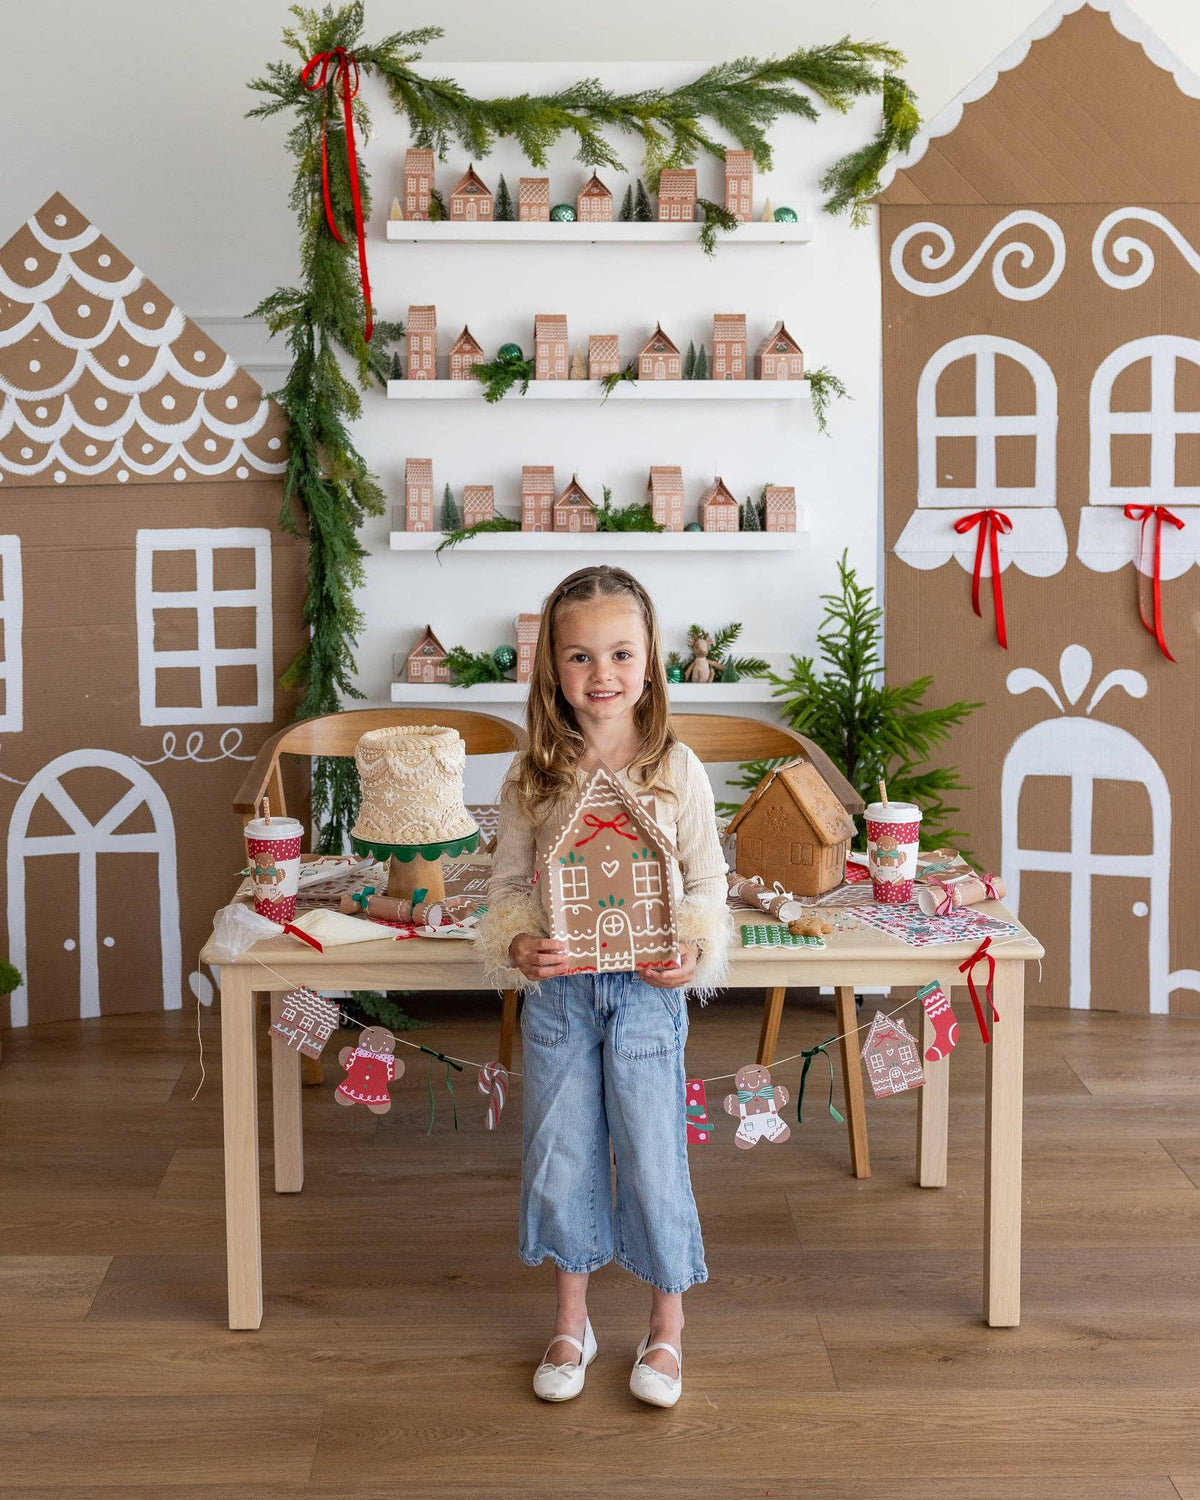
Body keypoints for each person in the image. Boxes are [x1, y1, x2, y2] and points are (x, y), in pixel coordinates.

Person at [478, 565, 731, 1408]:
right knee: (561, 1154)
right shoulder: (533, 776)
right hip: (560, 996)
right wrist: (516, 939)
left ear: (651, 657)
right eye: (581, 657)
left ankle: (667, 1324)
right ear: (552, 667)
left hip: (647, 993)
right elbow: (509, 883)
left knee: (654, 1153)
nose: (603, 675)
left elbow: (705, 886)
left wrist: (693, 948)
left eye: (621, 653)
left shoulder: (676, 769)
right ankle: (573, 1318)